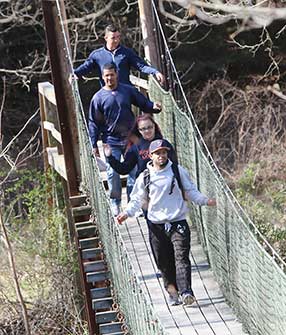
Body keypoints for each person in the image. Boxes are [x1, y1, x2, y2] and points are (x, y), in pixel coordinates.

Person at [116, 139, 216, 306]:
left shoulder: (177, 171)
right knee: (163, 263)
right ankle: (173, 292)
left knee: (181, 258)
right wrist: (126, 213)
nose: (162, 156)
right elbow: (137, 199)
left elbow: (190, 191)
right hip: (156, 226)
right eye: (158, 153)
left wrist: (205, 201)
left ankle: (186, 292)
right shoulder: (145, 177)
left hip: (178, 222)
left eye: (164, 152)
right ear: (150, 155)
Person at [89, 62, 162, 215]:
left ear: (117, 74)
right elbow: (94, 122)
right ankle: (115, 202)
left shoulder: (127, 91)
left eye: (112, 75)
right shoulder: (98, 98)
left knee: (134, 172)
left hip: (131, 139)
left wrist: (153, 106)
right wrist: (93, 143)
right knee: (112, 172)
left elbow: (143, 103)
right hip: (111, 140)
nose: (109, 78)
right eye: (106, 75)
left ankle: (132, 204)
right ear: (103, 77)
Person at [103, 114, 177, 196]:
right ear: (139, 130)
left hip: (165, 187)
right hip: (146, 190)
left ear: (154, 126)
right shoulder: (136, 148)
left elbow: (174, 166)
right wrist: (110, 157)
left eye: (150, 127)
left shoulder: (164, 144)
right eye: (143, 129)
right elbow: (124, 169)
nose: (147, 131)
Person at [72, 24, 165, 86]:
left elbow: (141, 66)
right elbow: (85, 68)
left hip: (125, 92)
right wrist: (74, 73)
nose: (116, 40)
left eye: (118, 37)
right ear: (106, 38)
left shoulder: (127, 53)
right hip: (107, 94)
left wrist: (155, 72)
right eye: (113, 38)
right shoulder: (97, 55)